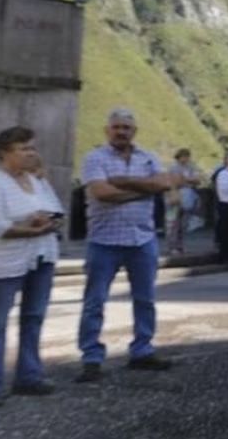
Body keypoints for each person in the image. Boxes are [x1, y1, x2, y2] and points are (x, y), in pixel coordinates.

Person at [76, 108, 178, 382]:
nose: (121, 131)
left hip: (142, 239)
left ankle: (142, 350)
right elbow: (101, 192)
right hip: (104, 240)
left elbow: (165, 183)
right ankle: (91, 357)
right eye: (116, 127)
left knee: (145, 299)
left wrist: (123, 181)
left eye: (126, 127)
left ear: (134, 131)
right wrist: (145, 188)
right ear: (107, 130)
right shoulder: (94, 158)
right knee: (95, 301)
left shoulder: (148, 157)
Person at [0, 126, 63, 408]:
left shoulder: (37, 182)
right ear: (4, 154)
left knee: (33, 318)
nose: (31, 153)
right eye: (23, 148)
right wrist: (31, 227)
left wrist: (45, 221)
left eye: (32, 148)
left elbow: (57, 211)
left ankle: (29, 375)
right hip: (6, 263)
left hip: (41, 257)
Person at [166, 148, 202, 255]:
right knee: (173, 223)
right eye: (184, 157)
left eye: (187, 157)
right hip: (174, 197)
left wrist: (186, 179)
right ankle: (172, 246)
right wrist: (188, 180)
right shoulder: (173, 168)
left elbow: (197, 180)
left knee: (182, 224)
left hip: (187, 197)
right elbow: (173, 181)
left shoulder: (191, 167)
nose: (185, 159)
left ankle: (180, 245)